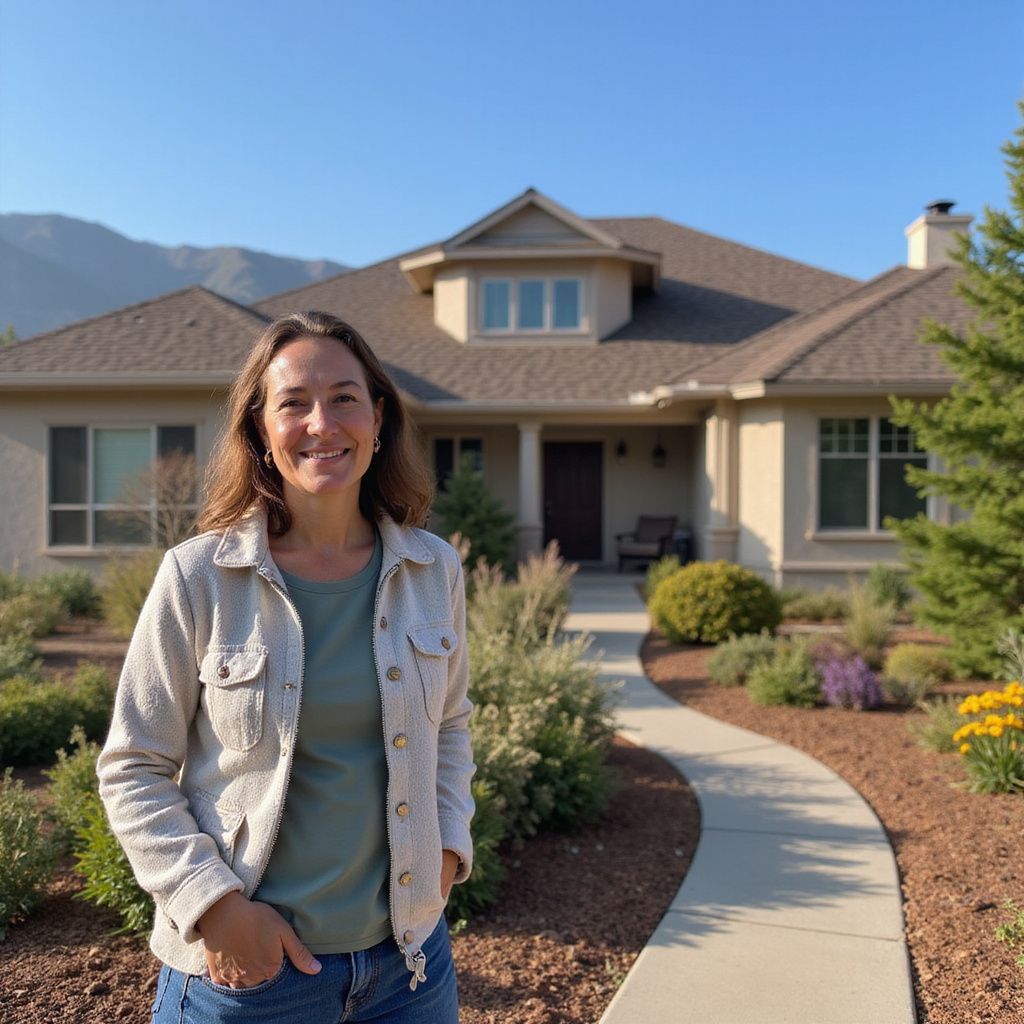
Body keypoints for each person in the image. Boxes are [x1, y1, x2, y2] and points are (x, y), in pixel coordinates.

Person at [97, 311, 475, 1023]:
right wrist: (213, 907)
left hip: (410, 968)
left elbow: (450, 725)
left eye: (343, 398)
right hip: (249, 976)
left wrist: (448, 849)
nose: (321, 423)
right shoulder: (200, 576)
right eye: (293, 403)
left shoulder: (433, 568)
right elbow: (132, 765)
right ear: (261, 432)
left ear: (379, 417)